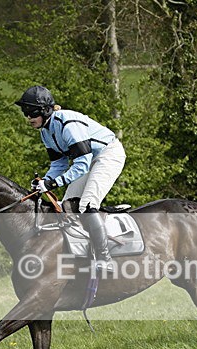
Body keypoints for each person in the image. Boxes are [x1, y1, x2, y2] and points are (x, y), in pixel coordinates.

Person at [15, 85, 126, 271]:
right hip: (89, 160)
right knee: (66, 207)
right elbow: (59, 164)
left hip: (108, 154)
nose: (28, 118)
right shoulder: (45, 131)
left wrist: (53, 183)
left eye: (31, 113)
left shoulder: (67, 123)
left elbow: (82, 164)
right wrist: (44, 182)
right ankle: (80, 256)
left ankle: (104, 258)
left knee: (87, 205)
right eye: (25, 113)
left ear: (45, 110)